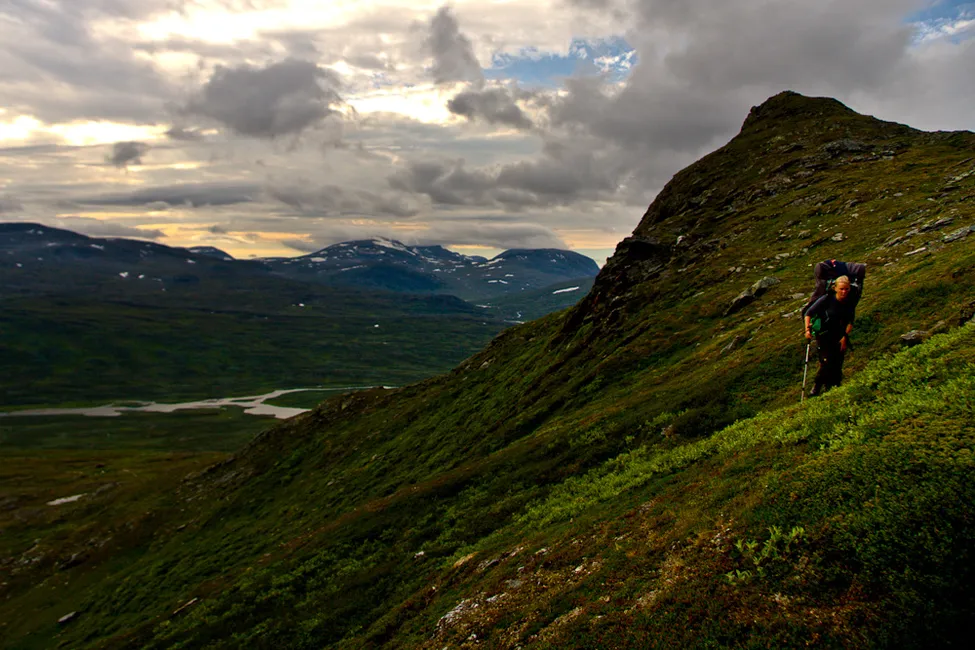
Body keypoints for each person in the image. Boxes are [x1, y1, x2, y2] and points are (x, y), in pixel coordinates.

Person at [804, 275, 856, 397]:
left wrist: (844, 337)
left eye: (846, 289)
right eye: (841, 289)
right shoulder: (827, 299)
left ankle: (834, 388)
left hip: (840, 335)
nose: (844, 292)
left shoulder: (849, 302)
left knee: (837, 363)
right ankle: (816, 387)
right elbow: (808, 313)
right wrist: (807, 330)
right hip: (824, 335)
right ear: (835, 288)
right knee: (826, 361)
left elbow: (850, 322)